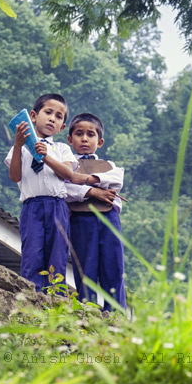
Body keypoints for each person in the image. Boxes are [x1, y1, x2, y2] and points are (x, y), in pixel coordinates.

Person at [5, 94, 93, 293]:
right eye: (48, 112)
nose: (53, 118)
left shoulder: (61, 149)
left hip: (57, 206)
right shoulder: (19, 148)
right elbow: (14, 176)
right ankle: (31, 296)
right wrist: (18, 145)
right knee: (32, 252)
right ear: (34, 116)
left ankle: (56, 299)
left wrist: (46, 156)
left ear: (62, 127)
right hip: (32, 206)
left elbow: (68, 174)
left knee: (57, 254)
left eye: (59, 116)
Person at [64, 113, 126, 311]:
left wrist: (87, 179)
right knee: (85, 267)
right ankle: (87, 312)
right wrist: (94, 192)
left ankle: (115, 314)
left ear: (99, 141)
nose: (84, 138)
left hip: (109, 218)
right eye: (79, 133)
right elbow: (64, 188)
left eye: (90, 134)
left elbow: (117, 179)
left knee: (113, 265)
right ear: (69, 139)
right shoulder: (66, 164)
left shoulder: (109, 166)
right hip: (81, 220)